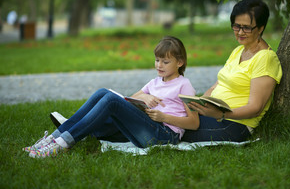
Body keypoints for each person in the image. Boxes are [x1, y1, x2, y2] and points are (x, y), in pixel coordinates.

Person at [23, 36, 199, 158]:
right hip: (149, 124)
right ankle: (53, 138)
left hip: (164, 135)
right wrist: (145, 98)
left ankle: (63, 143)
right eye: (157, 60)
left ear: (180, 62)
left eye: (165, 62)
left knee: (111, 101)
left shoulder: (184, 85)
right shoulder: (155, 82)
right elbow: (133, 98)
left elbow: (194, 122)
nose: (159, 65)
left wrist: (164, 117)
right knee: (102, 92)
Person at [182, 0, 282, 142]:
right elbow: (216, 86)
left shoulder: (266, 58)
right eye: (236, 26)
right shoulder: (238, 51)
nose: (240, 32)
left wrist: (221, 115)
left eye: (246, 27)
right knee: (170, 116)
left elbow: (256, 107)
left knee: (170, 125)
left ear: (261, 28)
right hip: (215, 117)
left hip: (234, 125)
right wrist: (199, 105)